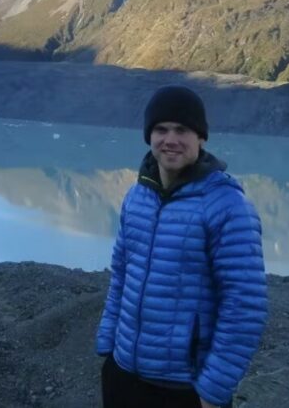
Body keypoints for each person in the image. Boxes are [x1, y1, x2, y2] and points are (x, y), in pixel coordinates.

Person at [95, 85, 268, 408]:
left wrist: (214, 389)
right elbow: (121, 275)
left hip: (183, 388)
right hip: (123, 375)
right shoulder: (137, 198)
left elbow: (245, 304)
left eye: (182, 130)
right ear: (149, 135)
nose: (170, 139)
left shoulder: (227, 205)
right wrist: (108, 343)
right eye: (161, 129)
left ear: (200, 137)